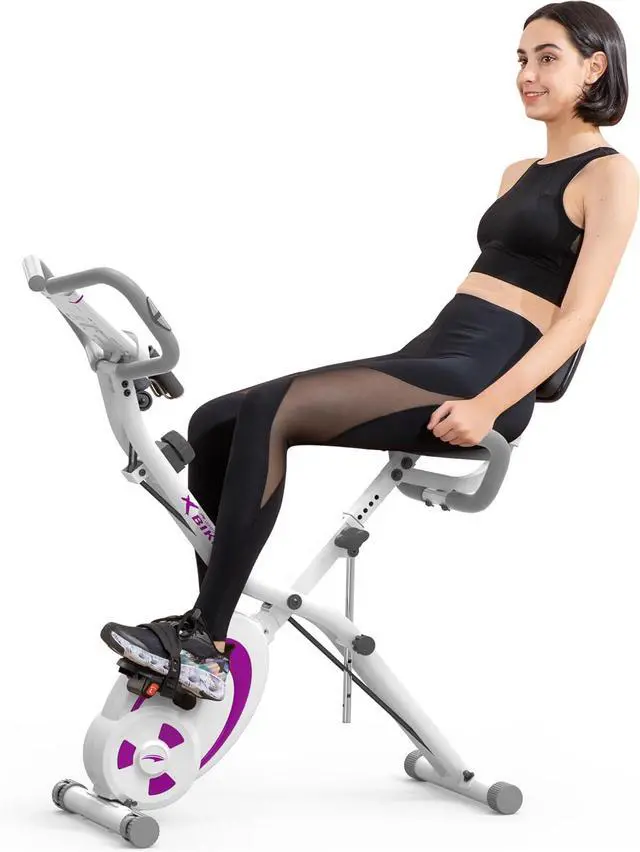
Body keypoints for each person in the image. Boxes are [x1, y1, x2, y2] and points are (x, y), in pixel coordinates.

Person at [101, 1, 638, 701]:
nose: (526, 74)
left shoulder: (610, 175)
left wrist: (489, 405)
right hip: (437, 353)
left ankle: (203, 638)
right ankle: (208, 632)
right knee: (214, 421)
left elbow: (576, 321)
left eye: (547, 58)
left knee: (273, 412)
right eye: (521, 58)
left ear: (594, 67)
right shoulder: (517, 172)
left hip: (484, 380)